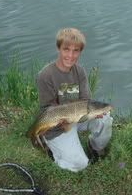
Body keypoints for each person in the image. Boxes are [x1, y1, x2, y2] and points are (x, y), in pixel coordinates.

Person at [36, 28, 113, 172]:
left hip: (76, 117)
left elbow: (85, 100)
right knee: (80, 165)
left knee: (105, 118)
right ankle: (50, 147)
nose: (70, 55)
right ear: (58, 48)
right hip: (56, 127)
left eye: (76, 50)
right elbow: (47, 108)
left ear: (80, 52)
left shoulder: (80, 71)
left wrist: (96, 113)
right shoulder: (45, 76)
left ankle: (95, 147)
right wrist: (61, 121)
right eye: (66, 49)